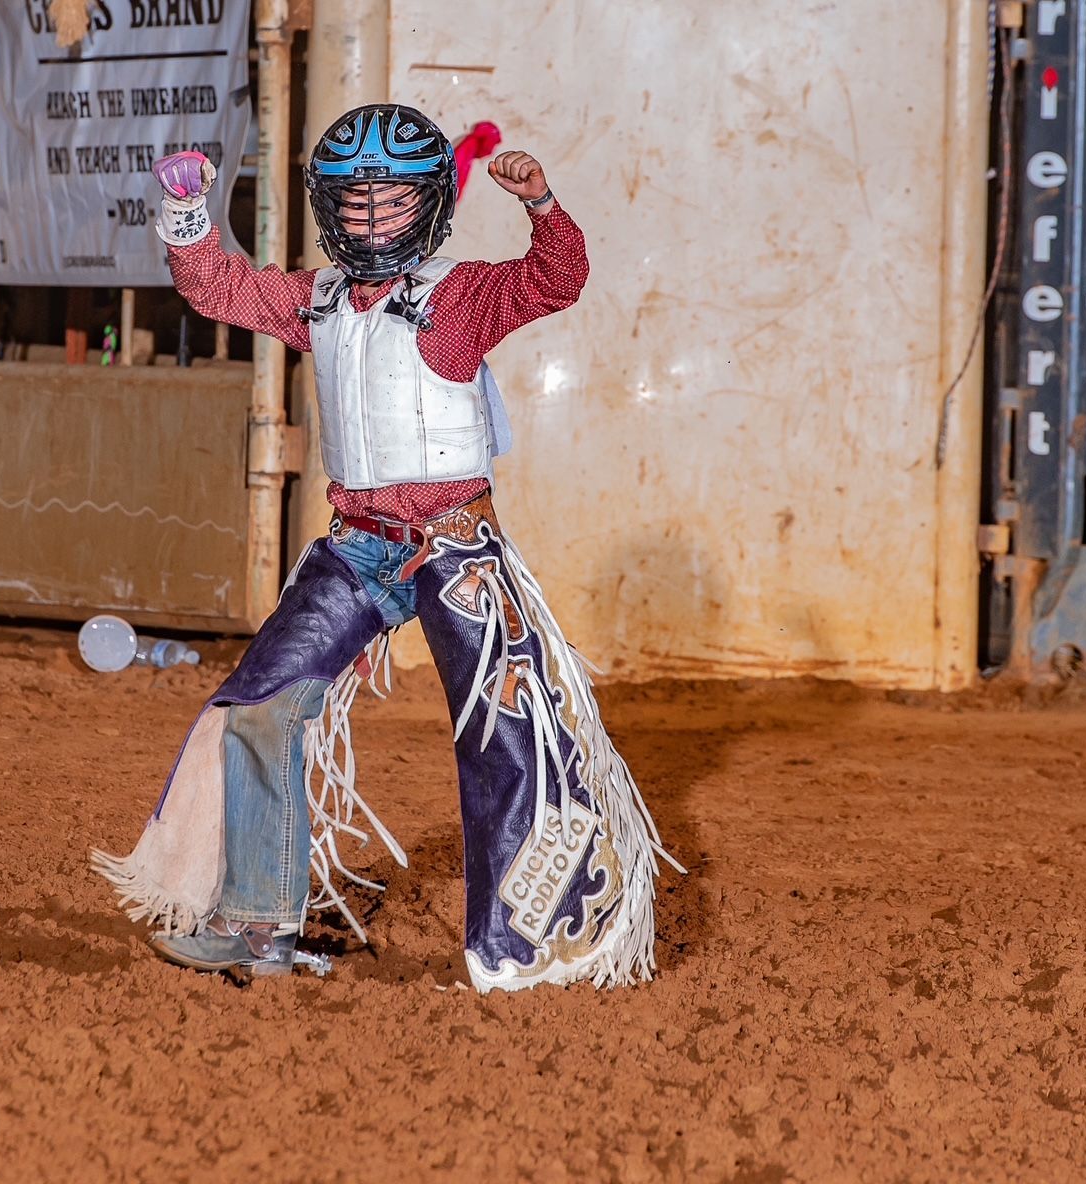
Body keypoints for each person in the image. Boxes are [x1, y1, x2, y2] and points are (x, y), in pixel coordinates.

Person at [93, 104, 681, 993]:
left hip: (457, 547)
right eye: (354, 202)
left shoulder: (459, 297)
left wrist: (543, 205)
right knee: (258, 707)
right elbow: (222, 289)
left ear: (429, 206)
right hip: (357, 547)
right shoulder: (320, 299)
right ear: (332, 209)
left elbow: (555, 281)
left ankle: (525, 948)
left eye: (390, 201)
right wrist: (186, 221)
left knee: (505, 734)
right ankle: (254, 923)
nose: (369, 218)